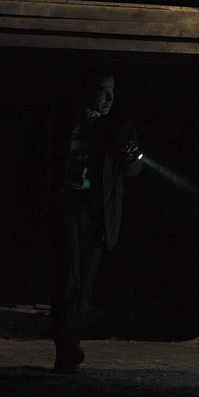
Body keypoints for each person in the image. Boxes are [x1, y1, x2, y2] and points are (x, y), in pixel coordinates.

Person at [46, 68, 142, 373]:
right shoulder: (64, 122)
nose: (110, 99)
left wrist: (130, 156)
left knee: (83, 286)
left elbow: (133, 169)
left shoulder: (117, 125)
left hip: (97, 211)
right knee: (68, 279)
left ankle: (69, 348)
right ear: (87, 91)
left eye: (113, 91)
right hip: (67, 204)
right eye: (103, 91)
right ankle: (66, 349)